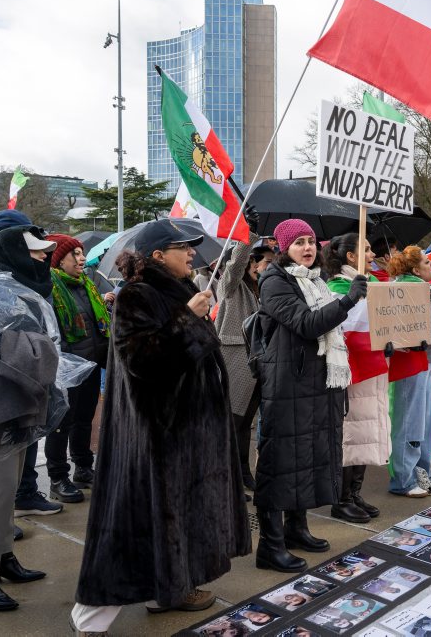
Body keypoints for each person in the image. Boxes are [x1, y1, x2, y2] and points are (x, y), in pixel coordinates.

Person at [72, 219, 251, 633]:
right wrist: (189, 319)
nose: (192, 253)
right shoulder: (137, 294)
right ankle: (91, 616)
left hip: (189, 430)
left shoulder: (182, 288)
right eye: (182, 247)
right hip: (157, 433)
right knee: (133, 525)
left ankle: (172, 588)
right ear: (157, 255)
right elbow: (143, 360)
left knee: (180, 518)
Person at [254, 219, 366, 573]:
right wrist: (348, 300)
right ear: (283, 248)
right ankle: (270, 546)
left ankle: (296, 528)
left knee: (305, 458)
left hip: (313, 386)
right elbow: (306, 323)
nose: (307, 248)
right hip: (287, 385)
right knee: (280, 462)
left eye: (311, 242)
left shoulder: (315, 281)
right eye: (299, 242)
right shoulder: (274, 281)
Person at [0, 228, 64, 612]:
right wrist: (37, 351)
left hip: (18, 401)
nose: (43, 257)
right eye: (35, 251)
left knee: (7, 487)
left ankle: (2, 559)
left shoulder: (18, 284)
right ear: (14, 251)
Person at [323, 234, 390, 523]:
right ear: (350, 257)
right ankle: (341, 499)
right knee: (350, 435)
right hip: (353, 370)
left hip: (372, 367)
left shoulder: (371, 285)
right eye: (366, 249)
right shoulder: (337, 288)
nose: (372, 253)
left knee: (365, 432)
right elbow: (341, 332)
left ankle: (355, 492)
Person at [44, 235, 112, 504]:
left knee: (84, 418)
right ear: (59, 258)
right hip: (66, 369)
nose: (82, 259)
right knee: (61, 422)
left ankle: (83, 467)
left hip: (92, 364)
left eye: (82, 253)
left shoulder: (87, 285)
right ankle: (58, 477)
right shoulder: (50, 287)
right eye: (75, 254)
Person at [386, 246, 431, 497]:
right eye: (427, 262)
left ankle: (422, 474)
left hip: (424, 363)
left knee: (424, 423)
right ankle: (403, 480)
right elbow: (407, 335)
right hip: (412, 364)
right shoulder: (408, 290)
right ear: (416, 269)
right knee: (409, 423)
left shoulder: (422, 290)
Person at [214, 224, 266, 491]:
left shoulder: (260, 290)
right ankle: (229, 479)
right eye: (254, 261)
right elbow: (235, 264)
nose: (257, 265)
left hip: (256, 362)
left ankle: (244, 473)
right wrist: (248, 236)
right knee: (233, 423)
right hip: (235, 358)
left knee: (246, 423)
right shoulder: (231, 287)